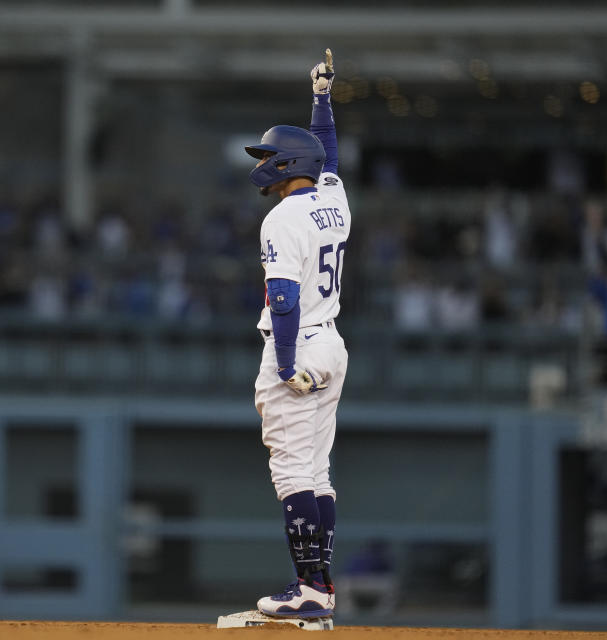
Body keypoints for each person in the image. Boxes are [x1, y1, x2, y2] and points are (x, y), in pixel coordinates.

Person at [247, 50, 350, 619]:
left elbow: (282, 299)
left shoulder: (282, 217)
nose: (263, 162)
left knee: (291, 470)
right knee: (316, 470)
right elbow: (327, 154)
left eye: (269, 154)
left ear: (288, 163)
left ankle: (308, 590)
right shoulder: (335, 199)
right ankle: (322, 584)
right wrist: (322, 100)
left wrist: (286, 367)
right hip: (331, 342)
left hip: (301, 340)